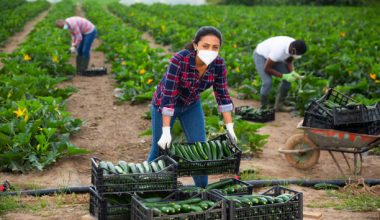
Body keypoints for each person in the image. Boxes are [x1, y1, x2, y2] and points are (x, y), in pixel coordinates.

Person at [148, 26, 238, 188]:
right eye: (205, 46)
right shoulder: (180, 59)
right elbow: (168, 96)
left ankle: (202, 190)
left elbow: (223, 96)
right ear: (196, 45)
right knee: (159, 147)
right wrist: (167, 131)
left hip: (191, 105)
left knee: (199, 148)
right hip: (166, 104)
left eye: (215, 47)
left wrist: (230, 128)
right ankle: (144, 184)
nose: (210, 50)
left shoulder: (218, 64)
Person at [253, 36, 307, 111]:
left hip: (273, 57)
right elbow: (267, 69)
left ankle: (279, 106)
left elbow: (289, 61)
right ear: (293, 50)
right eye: (296, 54)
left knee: (288, 81)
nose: (296, 56)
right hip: (261, 55)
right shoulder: (279, 50)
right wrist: (284, 76)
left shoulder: (295, 46)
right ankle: (264, 107)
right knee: (267, 82)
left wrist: (292, 72)